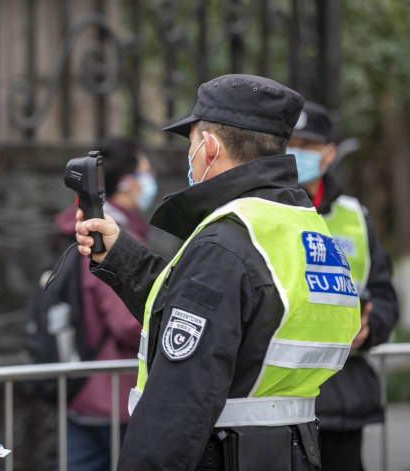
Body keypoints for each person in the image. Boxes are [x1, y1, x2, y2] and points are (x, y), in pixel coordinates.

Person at [74, 74, 362, 470]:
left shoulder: (225, 243)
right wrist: (121, 256)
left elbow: (176, 408)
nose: (188, 153)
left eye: (190, 141)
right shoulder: (305, 227)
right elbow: (237, 324)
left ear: (209, 147)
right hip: (292, 454)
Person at [288, 102, 398, 471]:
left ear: (329, 153)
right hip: (275, 401)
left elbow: (385, 295)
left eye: (307, 144)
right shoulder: (257, 209)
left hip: (340, 402)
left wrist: (368, 329)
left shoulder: (354, 215)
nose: (296, 153)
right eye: (291, 143)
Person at [55, 137, 153, 471]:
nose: (149, 181)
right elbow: (126, 323)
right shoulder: (109, 235)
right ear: (127, 181)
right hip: (113, 394)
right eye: (145, 173)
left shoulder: (87, 226)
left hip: (86, 385)